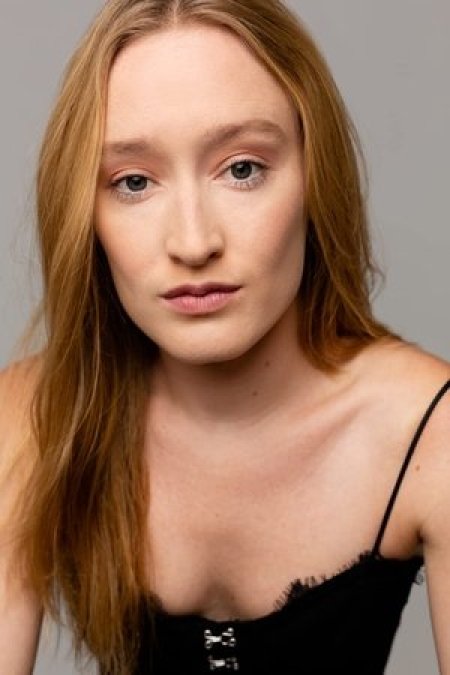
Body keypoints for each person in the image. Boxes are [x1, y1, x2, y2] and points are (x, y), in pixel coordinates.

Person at [0, 0, 449, 673]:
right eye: (133, 181)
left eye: (242, 169)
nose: (193, 242)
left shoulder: (433, 435)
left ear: (315, 177)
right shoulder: (27, 421)